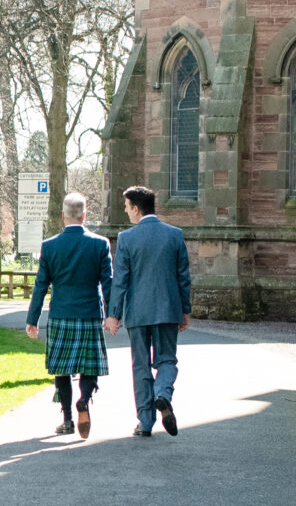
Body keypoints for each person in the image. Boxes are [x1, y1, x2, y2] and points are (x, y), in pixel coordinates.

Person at [25, 192, 113, 438]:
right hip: (89, 314)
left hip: (61, 314)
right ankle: (84, 399)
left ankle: (67, 420)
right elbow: (108, 282)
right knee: (88, 365)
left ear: (63, 216)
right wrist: (113, 315)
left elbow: (41, 285)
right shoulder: (100, 244)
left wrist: (32, 320)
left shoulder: (50, 246)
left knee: (62, 370)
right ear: (84, 216)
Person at [106, 186, 191, 438]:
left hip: (138, 313)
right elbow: (183, 277)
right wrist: (185, 310)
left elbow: (120, 279)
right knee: (166, 360)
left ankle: (145, 422)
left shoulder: (127, 238)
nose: (125, 212)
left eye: (126, 207)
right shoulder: (175, 235)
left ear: (136, 208)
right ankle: (163, 393)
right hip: (168, 309)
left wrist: (113, 314)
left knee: (140, 366)